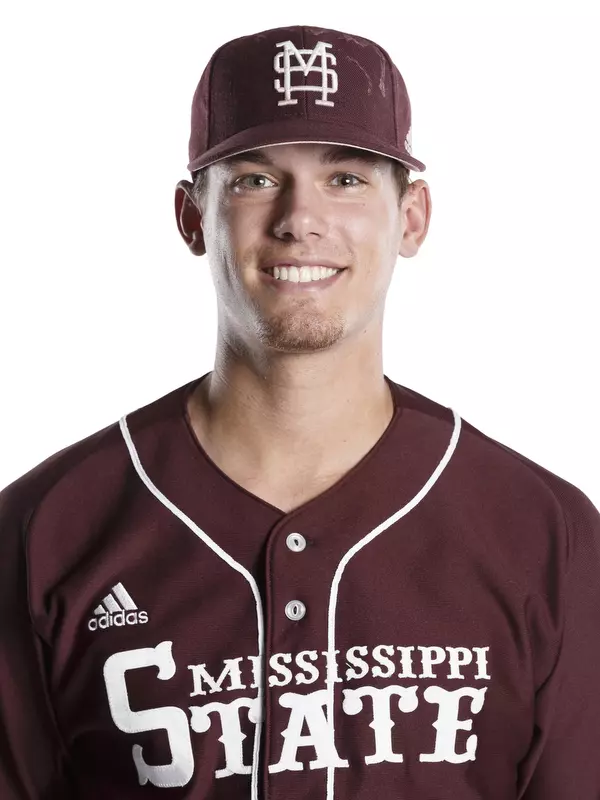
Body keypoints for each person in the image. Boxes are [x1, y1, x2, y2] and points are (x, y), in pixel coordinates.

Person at [0, 23, 598, 800]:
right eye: (254, 179)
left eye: (345, 178)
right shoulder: (43, 533)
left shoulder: (544, 532)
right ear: (191, 217)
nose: (299, 218)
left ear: (413, 216)